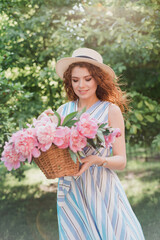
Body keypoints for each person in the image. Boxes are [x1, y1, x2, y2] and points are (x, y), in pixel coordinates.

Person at [50, 48, 145, 239]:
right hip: (71, 189)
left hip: (101, 188)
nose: (81, 85)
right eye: (75, 80)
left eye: (87, 79)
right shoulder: (63, 110)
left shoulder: (111, 111)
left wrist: (96, 160)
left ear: (98, 79)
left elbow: (121, 161)